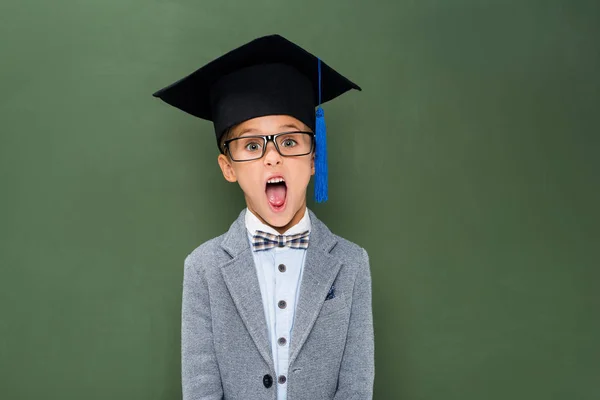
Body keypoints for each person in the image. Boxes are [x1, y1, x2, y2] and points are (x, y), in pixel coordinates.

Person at [153, 34, 374, 400]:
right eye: (252, 146)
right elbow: (201, 388)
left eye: (289, 142)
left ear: (314, 159)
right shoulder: (203, 268)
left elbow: (355, 385)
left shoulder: (351, 263)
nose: (272, 158)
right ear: (228, 167)